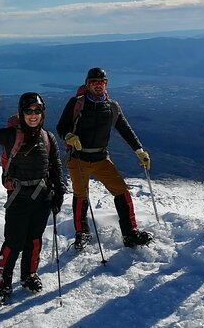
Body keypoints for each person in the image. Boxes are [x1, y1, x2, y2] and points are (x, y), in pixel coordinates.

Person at [0, 90, 66, 308]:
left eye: (37, 111)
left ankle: (29, 274)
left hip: (42, 198)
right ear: (21, 113)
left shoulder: (48, 138)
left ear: (42, 113)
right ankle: (1, 285)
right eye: (28, 111)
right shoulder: (12, 135)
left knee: (34, 239)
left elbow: (55, 166)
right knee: (14, 242)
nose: (33, 115)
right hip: (19, 198)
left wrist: (59, 192)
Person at [57, 67, 153, 250]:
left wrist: (138, 150)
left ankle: (130, 233)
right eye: (94, 82)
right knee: (80, 195)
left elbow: (125, 130)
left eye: (101, 82)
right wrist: (69, 136)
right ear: (87, 84)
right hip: (78, 157)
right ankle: (81, 233)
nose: (98, 86)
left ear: (106, 84)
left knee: (121, 191)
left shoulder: (112, 107)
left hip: (101, 158)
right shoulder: (76, 103)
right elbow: (61, 126)